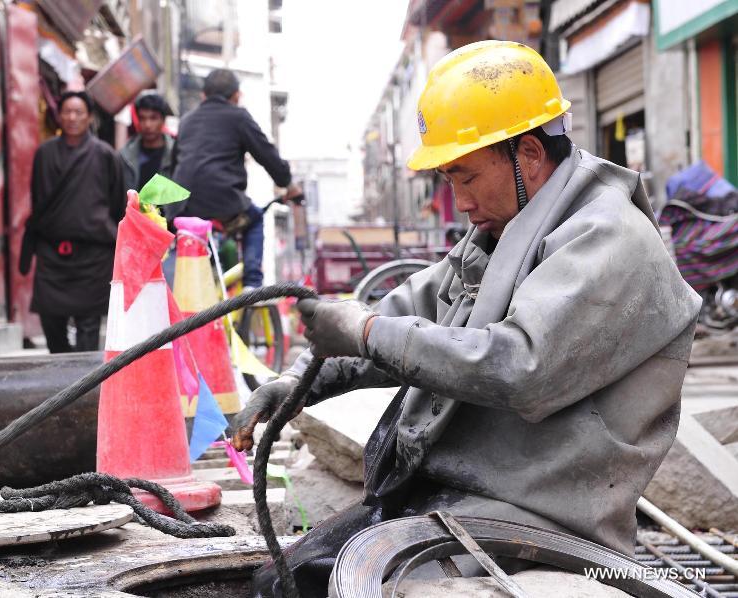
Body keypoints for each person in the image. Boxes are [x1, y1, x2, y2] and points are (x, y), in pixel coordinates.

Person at [232, 41, 701, 596]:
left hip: (543, 513)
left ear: (529, 153)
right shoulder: (508, 230)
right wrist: (302, 380)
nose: (459, 201)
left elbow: (519, 365)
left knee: (337, 588)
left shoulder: (609, 238)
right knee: (279, 582)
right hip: (461, 495)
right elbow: (413, 309)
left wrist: (366, 333)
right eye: (450, 180)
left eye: (467, 177)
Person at [169, 68, 302, 289]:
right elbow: (267, 155)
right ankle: (252, 284)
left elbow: (175, 164)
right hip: (222, 203)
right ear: (237, 96)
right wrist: (288, 184)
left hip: (182, 207)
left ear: (203, 95)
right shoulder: (238, 117)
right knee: (255, 219)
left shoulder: (186, 121)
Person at [23, 90, 126, 353]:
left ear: (89, 117)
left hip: (93, 256)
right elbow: (38, 200)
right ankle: (63, 370)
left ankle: (85, 378)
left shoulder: (105, 155)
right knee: (51, 324)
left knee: (88, 327)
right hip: (52, 254)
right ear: (59, 116)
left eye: (78, 112)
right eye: (67, 112)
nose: (72, 118)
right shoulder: (44, 154)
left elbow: (117, 204)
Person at [120, 92, 175, 191]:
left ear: (163, 120)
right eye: (142, 118)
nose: (147, 125)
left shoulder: (176, 155)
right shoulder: (124, 156)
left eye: (153, 118)